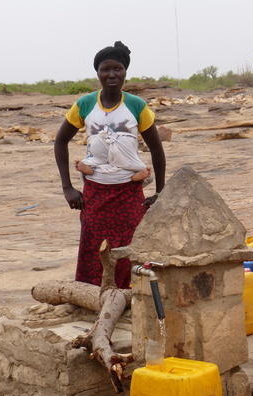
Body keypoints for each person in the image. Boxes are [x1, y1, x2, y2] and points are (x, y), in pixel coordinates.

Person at [54, 41, 166, 289]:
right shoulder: (85, 105)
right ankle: (91, 296)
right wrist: (67, 188)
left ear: (125, 72)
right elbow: (60, 141)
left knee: (128, 247)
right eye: (106, 69)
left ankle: (127, 298)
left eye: (118, 69)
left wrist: (160, 191)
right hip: (94, 193)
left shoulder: (137, 106)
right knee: (92, 247)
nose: (112, 75)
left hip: (128, 193)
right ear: (98, 73)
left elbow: (157, 150)